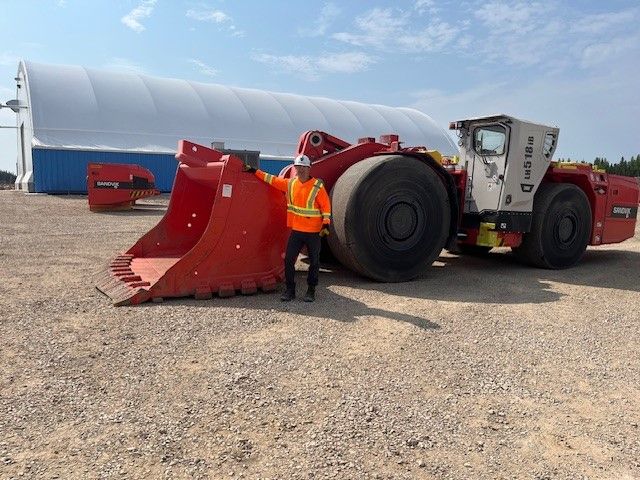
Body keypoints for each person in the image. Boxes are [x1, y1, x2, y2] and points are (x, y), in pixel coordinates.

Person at [244, 154, 331, 302]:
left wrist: (326, 223)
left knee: (315, 263)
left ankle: (311, 290)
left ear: (309, 169)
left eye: (304, 167)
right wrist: (254, 171)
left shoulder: (317, 186)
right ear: (295, 168)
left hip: (313, 233)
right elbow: (272, 180)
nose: (301, 170)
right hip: (297, 231)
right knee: (289, 260)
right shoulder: (290, 184)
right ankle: (290, 290)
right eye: (298, 167)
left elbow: (326, 206)